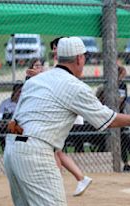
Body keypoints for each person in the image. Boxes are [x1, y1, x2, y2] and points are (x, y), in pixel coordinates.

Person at [3, 37, 130, 206]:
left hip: (12, 149)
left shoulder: (36, 79)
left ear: (58, 57)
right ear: (79, 59)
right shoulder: (75, 86)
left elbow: (17, 119)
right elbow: (108, 120)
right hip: (35, 153)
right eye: (84, 57)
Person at [25, 38, 93, 197]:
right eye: (54, 48)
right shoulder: (55, 65)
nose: (56, 50)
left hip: (66, 108)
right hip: (60, 108)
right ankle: (79, 178)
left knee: (54, 150)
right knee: (56, 150)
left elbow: (59, 81)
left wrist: (39, 74)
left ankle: (60, 182)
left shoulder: (65, 65)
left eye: (57, 47)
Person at [117, 66, 130, 171]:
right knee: (124, 137)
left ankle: (129, 160)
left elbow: (122, 99)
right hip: (112, 113)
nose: (125, 74)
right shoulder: (111, 84)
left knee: (124, 136)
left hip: (120, 112)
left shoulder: (122, 85)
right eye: (124, 72)